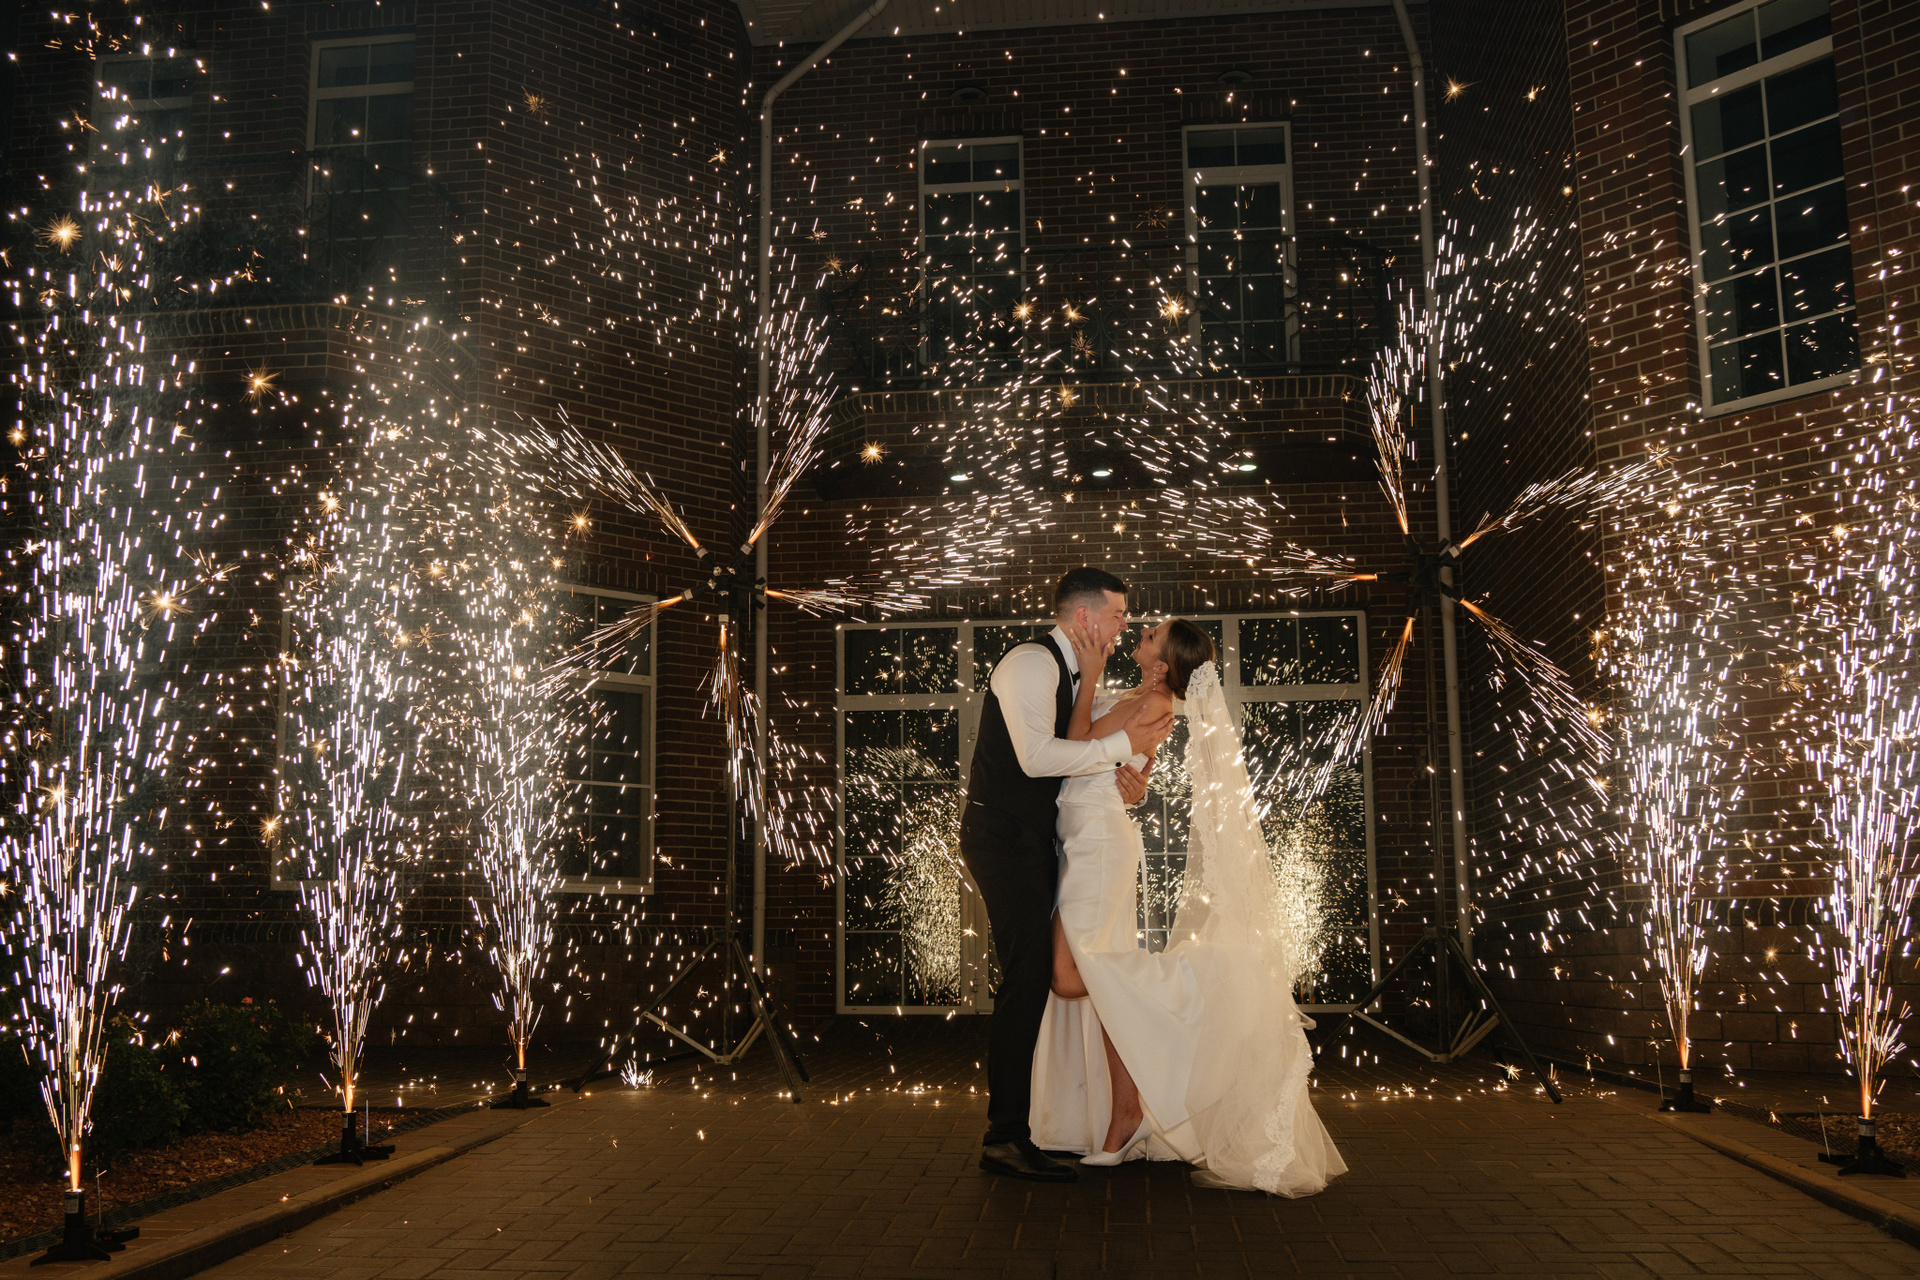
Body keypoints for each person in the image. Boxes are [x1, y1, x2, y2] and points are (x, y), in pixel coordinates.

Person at [1030, 617, 1347, 1195]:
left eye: (1153, 633)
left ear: (1163, 662)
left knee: (1073, 976)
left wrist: (1090, 673)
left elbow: (1075, 749)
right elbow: (1117, 763)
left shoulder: (1154, 703)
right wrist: (1138, 782)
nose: (1143, 629)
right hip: (1082, 837)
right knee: (1093, 977)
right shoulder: (1139, 696)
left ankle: (1192, 990)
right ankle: (1123, 1114)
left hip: (1098, 844)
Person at [959, 568, 1175, 1183]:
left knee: (1050, 974)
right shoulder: (1031, 664)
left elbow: (1089, 756)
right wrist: (1119, 751)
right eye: (1117, 615)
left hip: (1049, 843)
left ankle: (1045, 1124)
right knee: (1034, 975)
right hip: (1003, 839)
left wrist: (1131, 784)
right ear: (1085, 617)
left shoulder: (1085, 674)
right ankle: (1007, 1136)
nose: (1125, 625)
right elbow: (1036, 758)